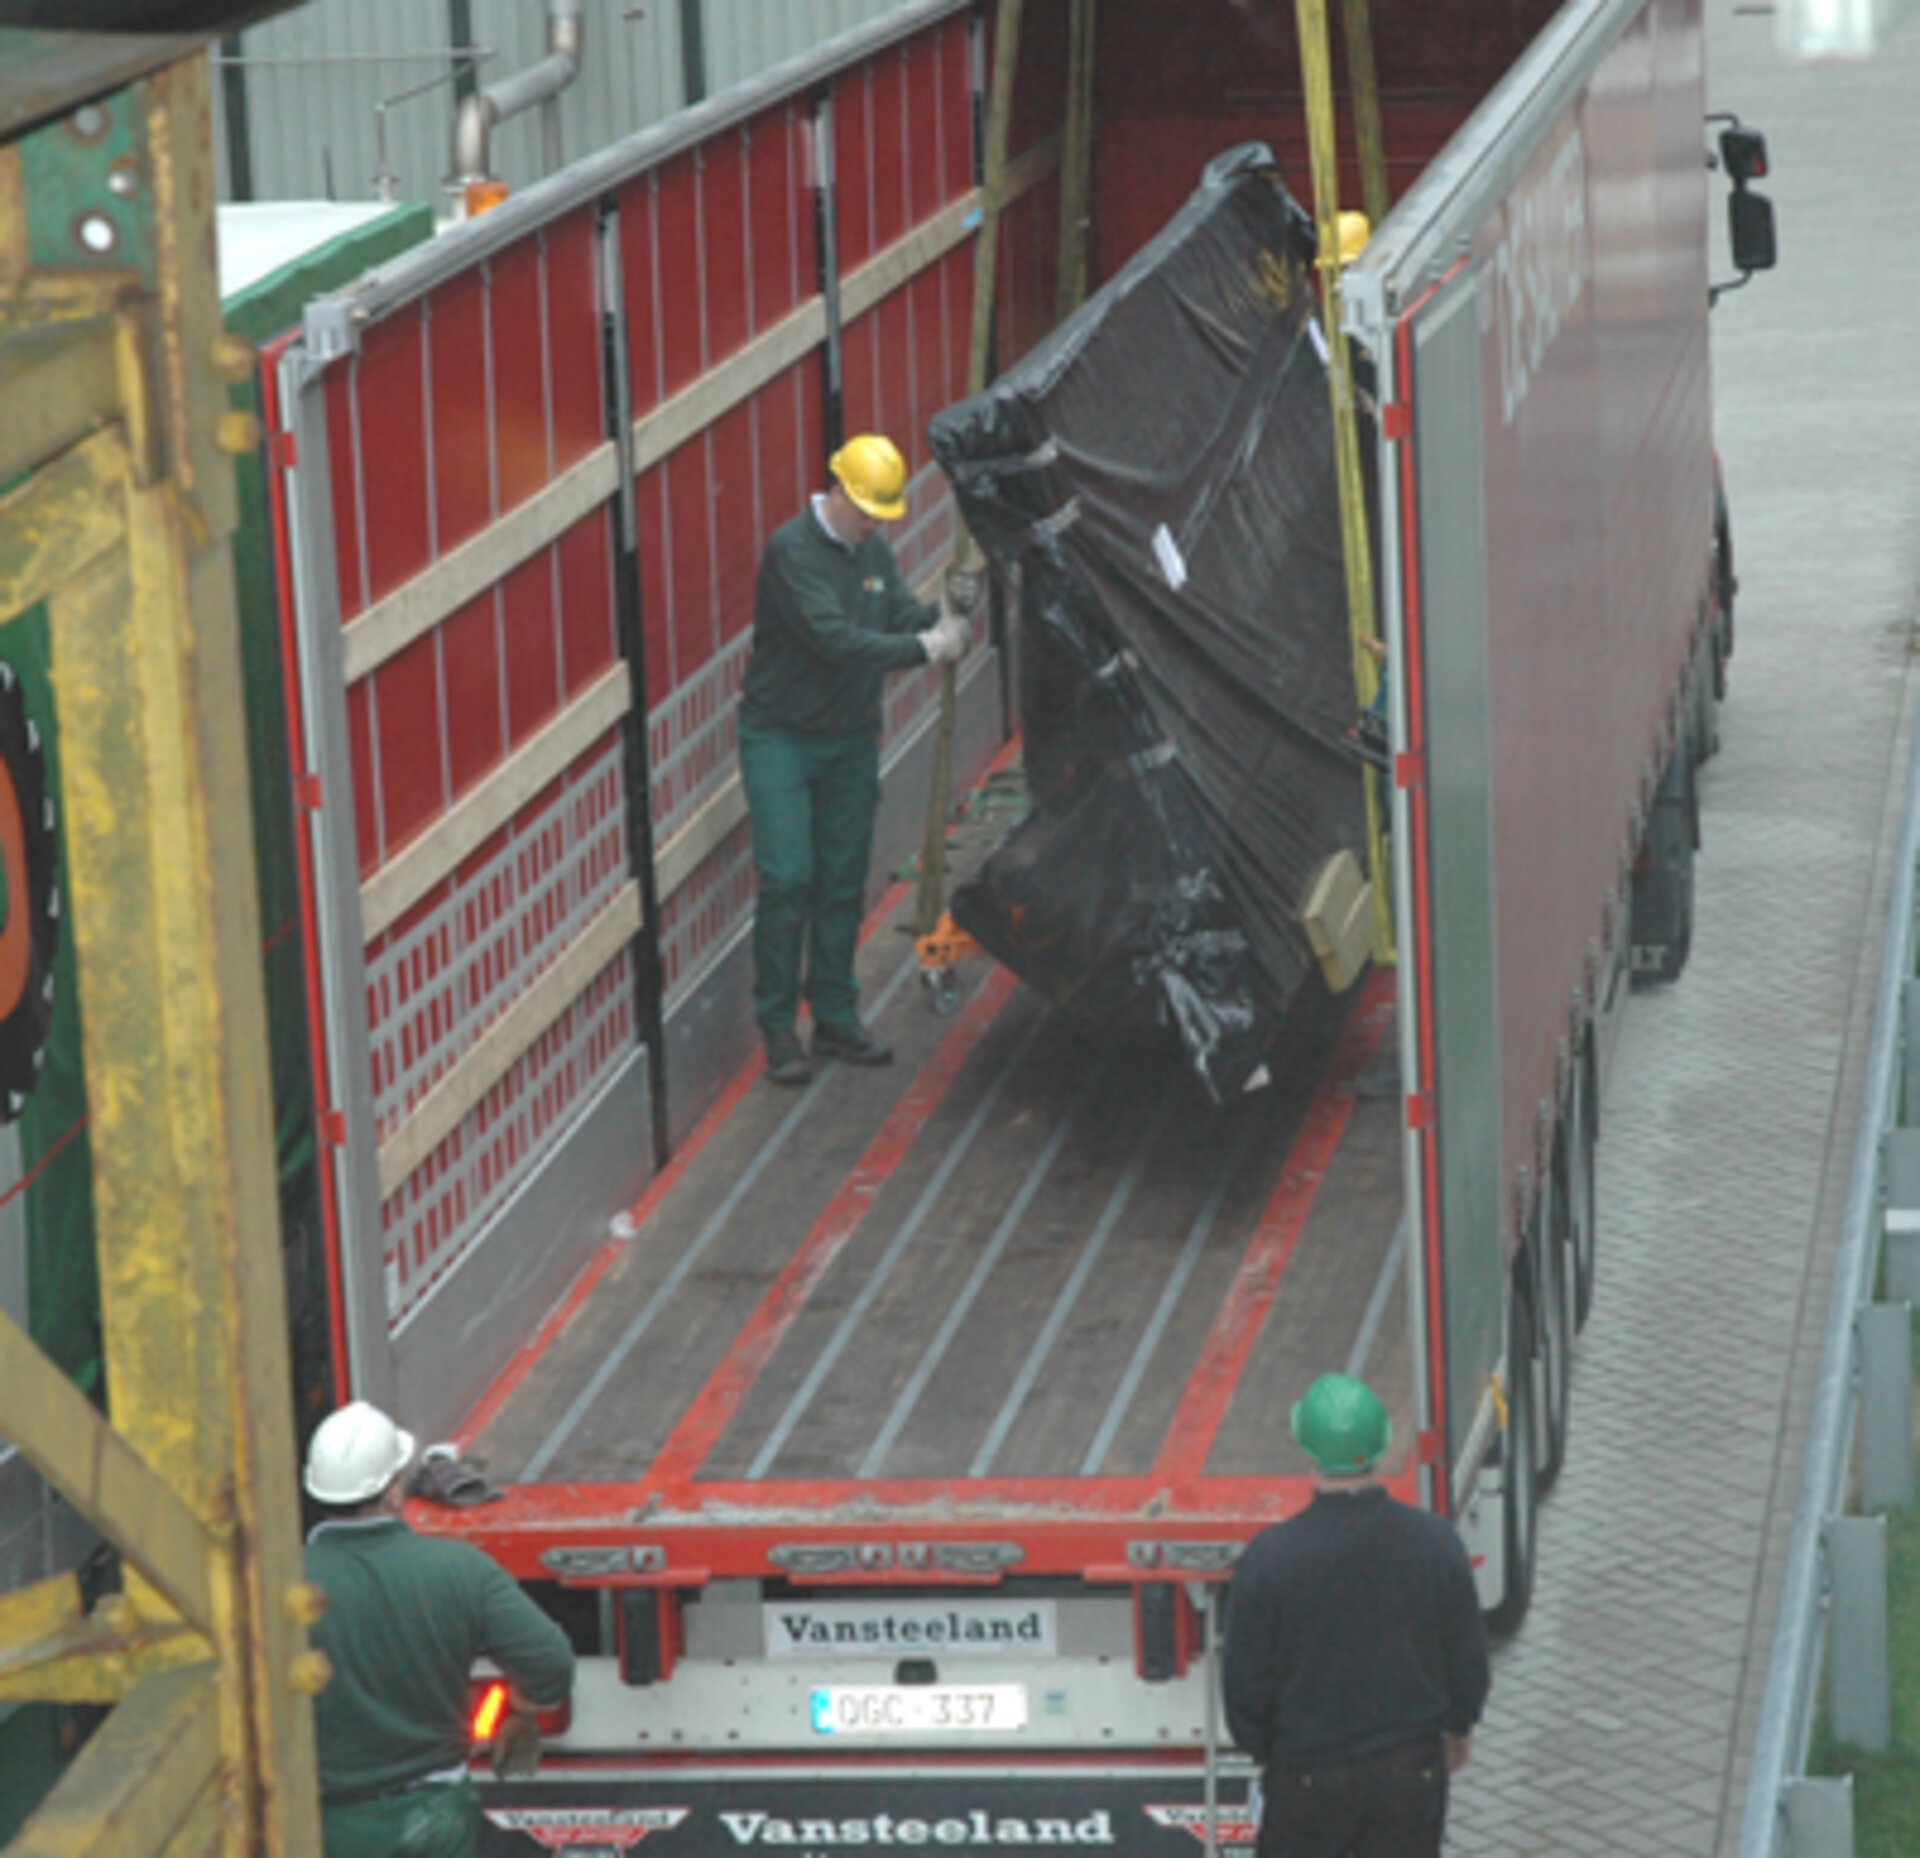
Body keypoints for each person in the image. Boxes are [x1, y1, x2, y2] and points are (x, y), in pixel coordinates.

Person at [739, 432, 976, 1086]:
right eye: (867, 509)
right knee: (789, 877)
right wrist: (930, 647)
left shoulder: (870, 548)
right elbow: (835, 640)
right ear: (837, 489)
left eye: (881, 514)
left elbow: (897, 613)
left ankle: (836, 1015)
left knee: (842, 878)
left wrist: (945, 611)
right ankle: (780, 1028)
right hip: (781, 737)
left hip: (847, 736)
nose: (874, 523)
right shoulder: (793, 554)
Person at [1221, 1374, 1490, 1858]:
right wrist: (1458, 1727)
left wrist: (1265, 1750)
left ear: (1307, 1451)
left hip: (1304, 1778)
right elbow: (1467, 1656)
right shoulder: (1434, 1543)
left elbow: (1245, 1686)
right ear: (1384, 1444)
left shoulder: (1269, 1559)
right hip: (1410, 1773)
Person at [302, 1401, 575, 1858]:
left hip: (325, 1824)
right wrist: (522, 1714)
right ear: (393, 1493)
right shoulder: (459, 1570)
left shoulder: (278, 1585)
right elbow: (551, 1663)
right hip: (435, 1820)